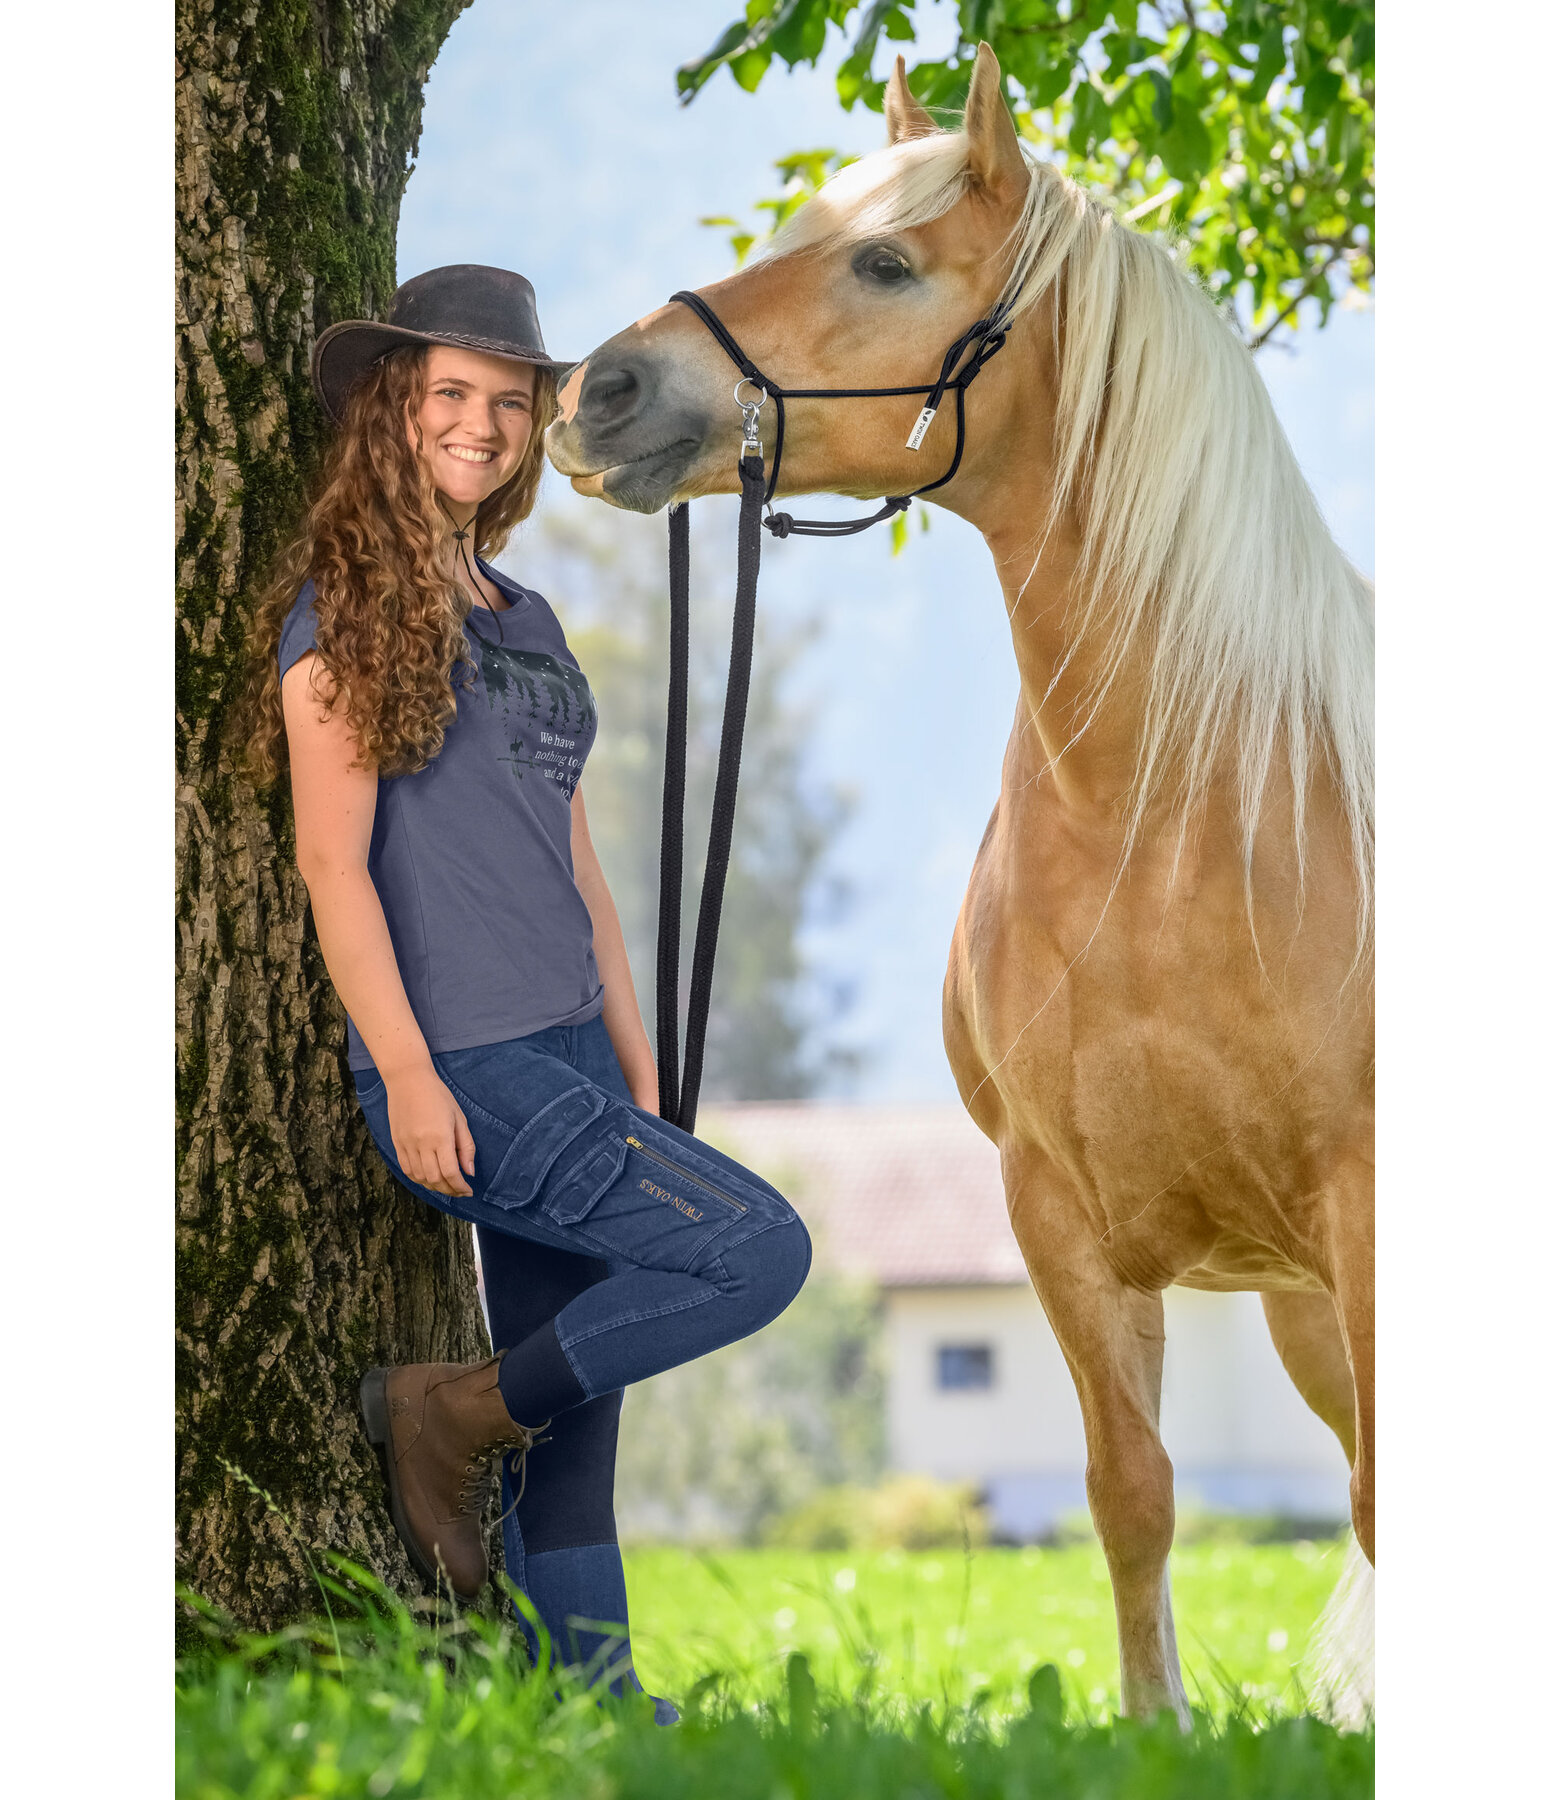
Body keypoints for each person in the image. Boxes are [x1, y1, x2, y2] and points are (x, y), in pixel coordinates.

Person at [238, 264, 811, 1717]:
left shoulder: (529, 616)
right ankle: (442, 1416)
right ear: (393, 410)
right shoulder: (344, 614)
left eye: (508, 401)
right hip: (469, 1065)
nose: (483, 426)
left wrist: (629, 1051)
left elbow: (573, 859)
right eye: (451, 395)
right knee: (756, 1253)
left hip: (561, 1046)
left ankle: (589, 1698)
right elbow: (333, 867)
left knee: (582, 1400)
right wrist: (411, 1074)